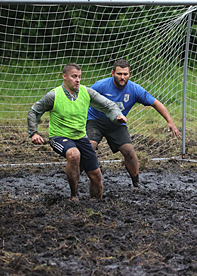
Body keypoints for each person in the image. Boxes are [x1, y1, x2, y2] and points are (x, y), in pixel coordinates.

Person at [28, 63, 126, 201]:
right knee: (74, 155)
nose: (78, 80)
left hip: (80, 137)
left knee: (96, 175)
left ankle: (96, 203)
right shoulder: (54, 95)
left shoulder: (87, 92)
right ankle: (74, 195)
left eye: (79, 77)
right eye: (74, 76)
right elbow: (34, 111)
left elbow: (108, 104)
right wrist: (34, 133)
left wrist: (117, 115)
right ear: (64, 77)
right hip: (59, 137)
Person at [87, 59, 180, 188]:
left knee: (129, 151)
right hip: (95, 121)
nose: (122, 77)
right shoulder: (100, 86)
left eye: (125, 74)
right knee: (88, 148)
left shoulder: (135, 89)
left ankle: (136, 184)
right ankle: (77, 184)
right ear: (112, 73)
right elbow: (83, 101)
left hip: (117, 124)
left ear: (129, 74)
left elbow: (156, 103)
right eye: (119, 74)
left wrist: (170, 121)